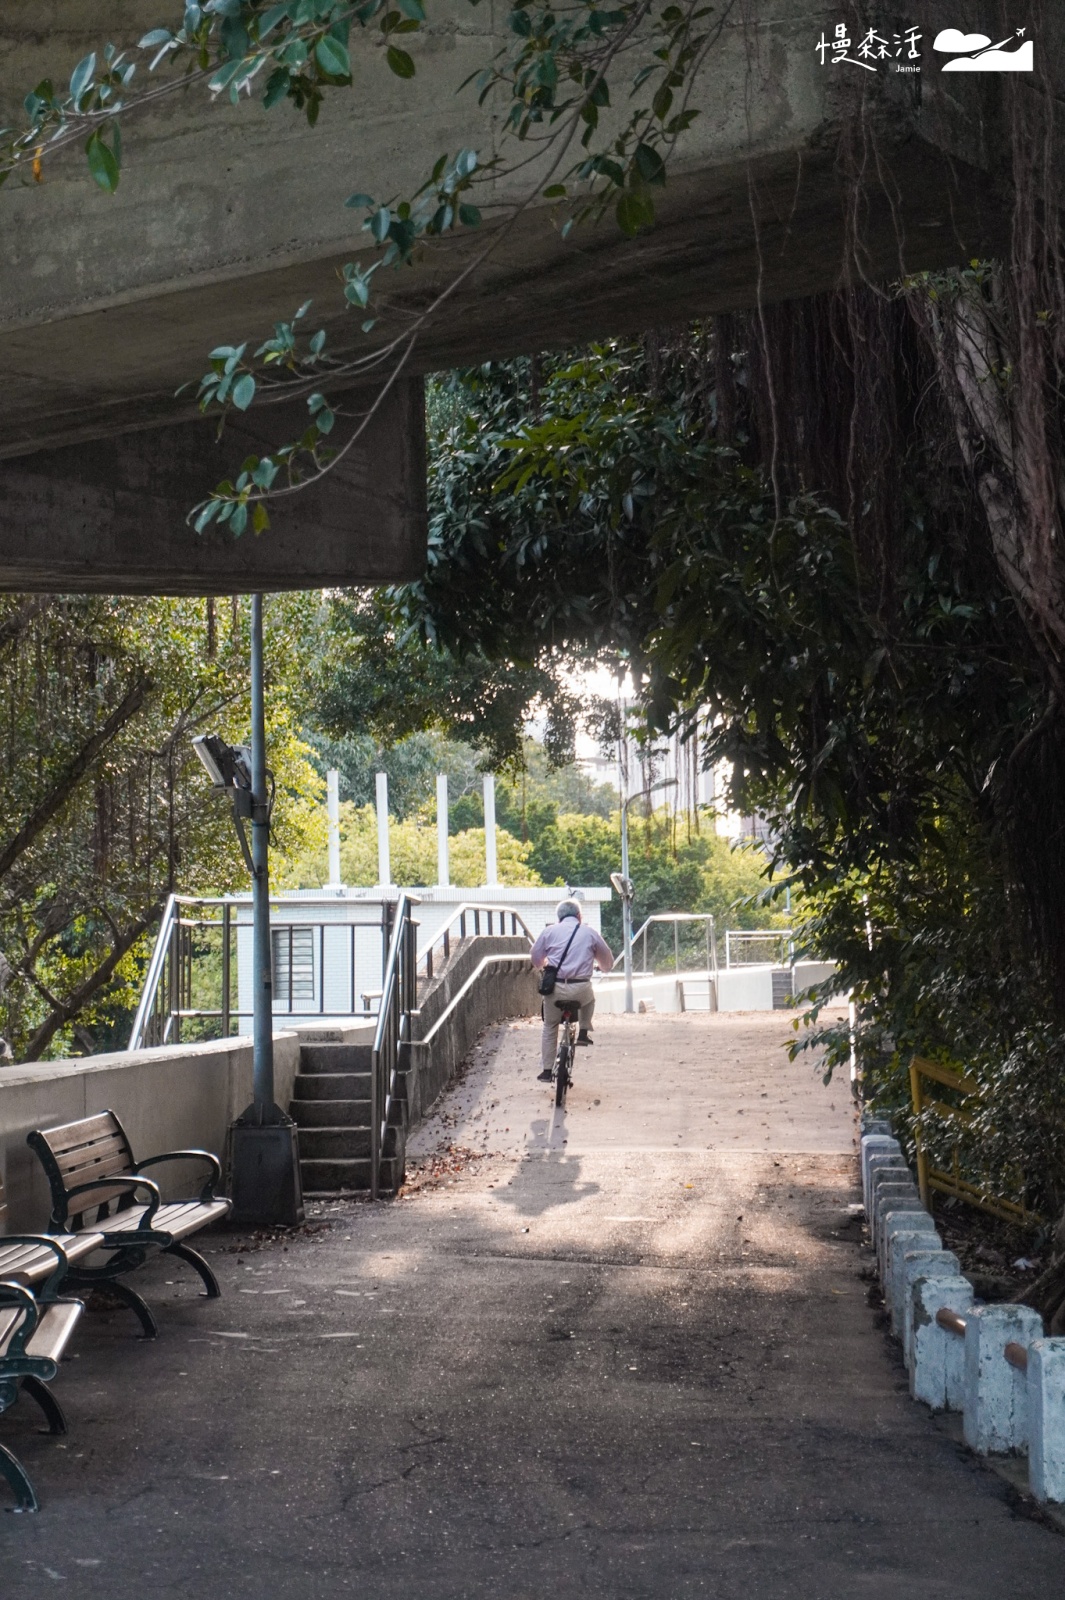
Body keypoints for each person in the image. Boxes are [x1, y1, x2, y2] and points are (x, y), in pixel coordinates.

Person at [530, 899, 614, 1083]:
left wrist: (543, 964)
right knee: (590, 999)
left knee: (550, 1026)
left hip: (555, 988)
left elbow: (535, 957)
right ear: (579, 916)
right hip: (580, 987)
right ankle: (584, 1031)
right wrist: (603, 967)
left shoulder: (549, 931)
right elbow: (607, 960)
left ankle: (546, 1070)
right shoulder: (590, 933)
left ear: (559, 917)